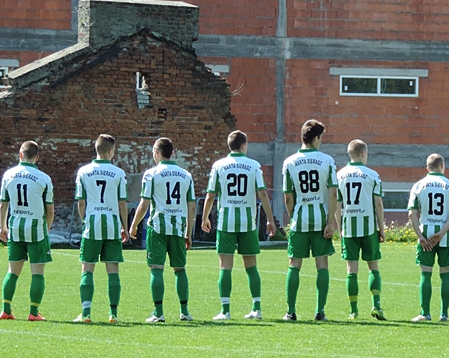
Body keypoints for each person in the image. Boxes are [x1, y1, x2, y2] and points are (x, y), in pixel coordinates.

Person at [201, 130, 277, 321]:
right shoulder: (253, 165)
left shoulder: (219, 165)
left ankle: (225, 311)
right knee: (251, 266)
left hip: (226, 222)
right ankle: (257, 308)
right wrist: (270, 219)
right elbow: (262, 193)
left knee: (225, 266)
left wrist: (205, 217)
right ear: (244, 145)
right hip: (248, 222)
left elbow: (210, 195)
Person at [129, 137, 196, 323]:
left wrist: (133, 225)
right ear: (172, 153)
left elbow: (144, 204)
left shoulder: (151, 174)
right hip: (178, 227)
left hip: (157, 226)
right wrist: (189, 232)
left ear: (156, 153)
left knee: (156, 269)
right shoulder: (186, 175)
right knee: (180, 269)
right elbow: (191, 206)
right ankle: (185, 311)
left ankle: (158, 313)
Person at [282, 119, 338, 321]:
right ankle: (320, 312)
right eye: (321, 138)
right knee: (322, 264)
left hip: (300, 218)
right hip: (321, 219)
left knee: (294, 264)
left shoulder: (289, 162)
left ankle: (290, 312)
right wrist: (330, 222)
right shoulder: (327, 161)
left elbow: (288, 197)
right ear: (315, 138)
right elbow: (333, 193)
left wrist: (293, 216)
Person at [73, 134, 129, 323]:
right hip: (112, 225)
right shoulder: (118, 173)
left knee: (87, 268)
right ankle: (113, 314)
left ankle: (86, 313)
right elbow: (122, 203)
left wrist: (85, 221)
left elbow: (81, 203)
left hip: (92, 224)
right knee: (113, 269)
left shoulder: (83, 172)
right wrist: (125, 227)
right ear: (110, 151)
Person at [0, 140, 54, 321]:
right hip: (36, 228)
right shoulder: (44, 178)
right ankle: (33, 312)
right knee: (37, 272)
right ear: (37, 158)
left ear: (20, 155)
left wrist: (3, 226)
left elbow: (3, 204)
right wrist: (47, 228)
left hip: (15, 227)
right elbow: (50, 210)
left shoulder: (8, 175)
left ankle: (6, 310)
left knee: (12, 271)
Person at [336, 139, 386, 320]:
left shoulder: (339, 175)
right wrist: (381, 228)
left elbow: (337, 205)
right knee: (373, 267)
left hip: (349, 228)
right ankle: (376, 306)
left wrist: (340, 229)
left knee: (351, 269)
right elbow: (378, 204)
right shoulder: (372, 175)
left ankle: (353, 311)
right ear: (364, 154)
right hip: (369, 227)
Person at [407, 153, 449, 322]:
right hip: (445, 236)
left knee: (426, 273)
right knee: (445, 273)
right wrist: (442, 232)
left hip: (426, 234)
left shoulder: (418, 185)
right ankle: (444, 314)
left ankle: (425, 313)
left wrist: (420, 236)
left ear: (427, 167)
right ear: (442, 166)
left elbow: (412, 214)